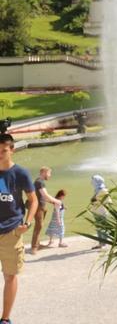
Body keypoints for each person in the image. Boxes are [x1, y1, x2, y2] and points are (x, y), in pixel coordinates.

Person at [0, 132, 37, 324]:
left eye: (3, 151)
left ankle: (5, 319)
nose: (0, 154)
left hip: (11, 231)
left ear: (12, 150)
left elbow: (33, 200)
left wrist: (27, 223)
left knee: (10, 276)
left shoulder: (20, 173)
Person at [31, 167, 60, 254]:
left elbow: (43, 197)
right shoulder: (39, 182)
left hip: (41, 206)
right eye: (49, 173)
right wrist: (57, 201)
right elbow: (45, 195)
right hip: (38, 207)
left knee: (39, 226)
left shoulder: (39, 181)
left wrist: (52, 202)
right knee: (39, 225)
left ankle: (37, 244)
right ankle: (34, 247)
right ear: (43, 172)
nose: (50, 176)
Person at [90, 175, 109, 250]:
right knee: (98, 228)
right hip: (96, 211)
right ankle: (100, 243)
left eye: (93, 180)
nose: (91, 182)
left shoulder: (103, 190)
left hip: (102, 211)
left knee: (103, 228)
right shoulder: (97, 190)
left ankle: (104, 243)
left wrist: (95, 200)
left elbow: (108, 201)